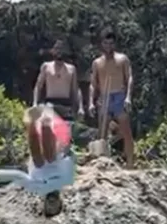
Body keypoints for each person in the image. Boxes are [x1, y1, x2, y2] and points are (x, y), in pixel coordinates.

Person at [88, 28, 135, 168]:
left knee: (126, 130)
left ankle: (130, 163)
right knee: (102, 132)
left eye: (111, 43)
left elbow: (130, 78)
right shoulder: (97, 63)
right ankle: (103, 163)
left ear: (114, 44)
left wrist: (128, 97)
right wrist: (90, 103)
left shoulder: (122, 59)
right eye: (106, 43)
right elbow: (93, 84)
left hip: (119, 96)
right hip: (104, 97)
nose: (109, 46)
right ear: (102, 44)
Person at [33, 39, 82, 122]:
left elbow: (75, 90)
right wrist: (34, 103)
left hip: (66, 104)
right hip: (50, 103)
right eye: (56, 48)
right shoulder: (46, 66)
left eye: (61, 48)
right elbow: (38, 86)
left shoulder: (71, 69)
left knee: (66, 131)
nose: (59, 51)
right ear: (52, 51)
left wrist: (80, 107)